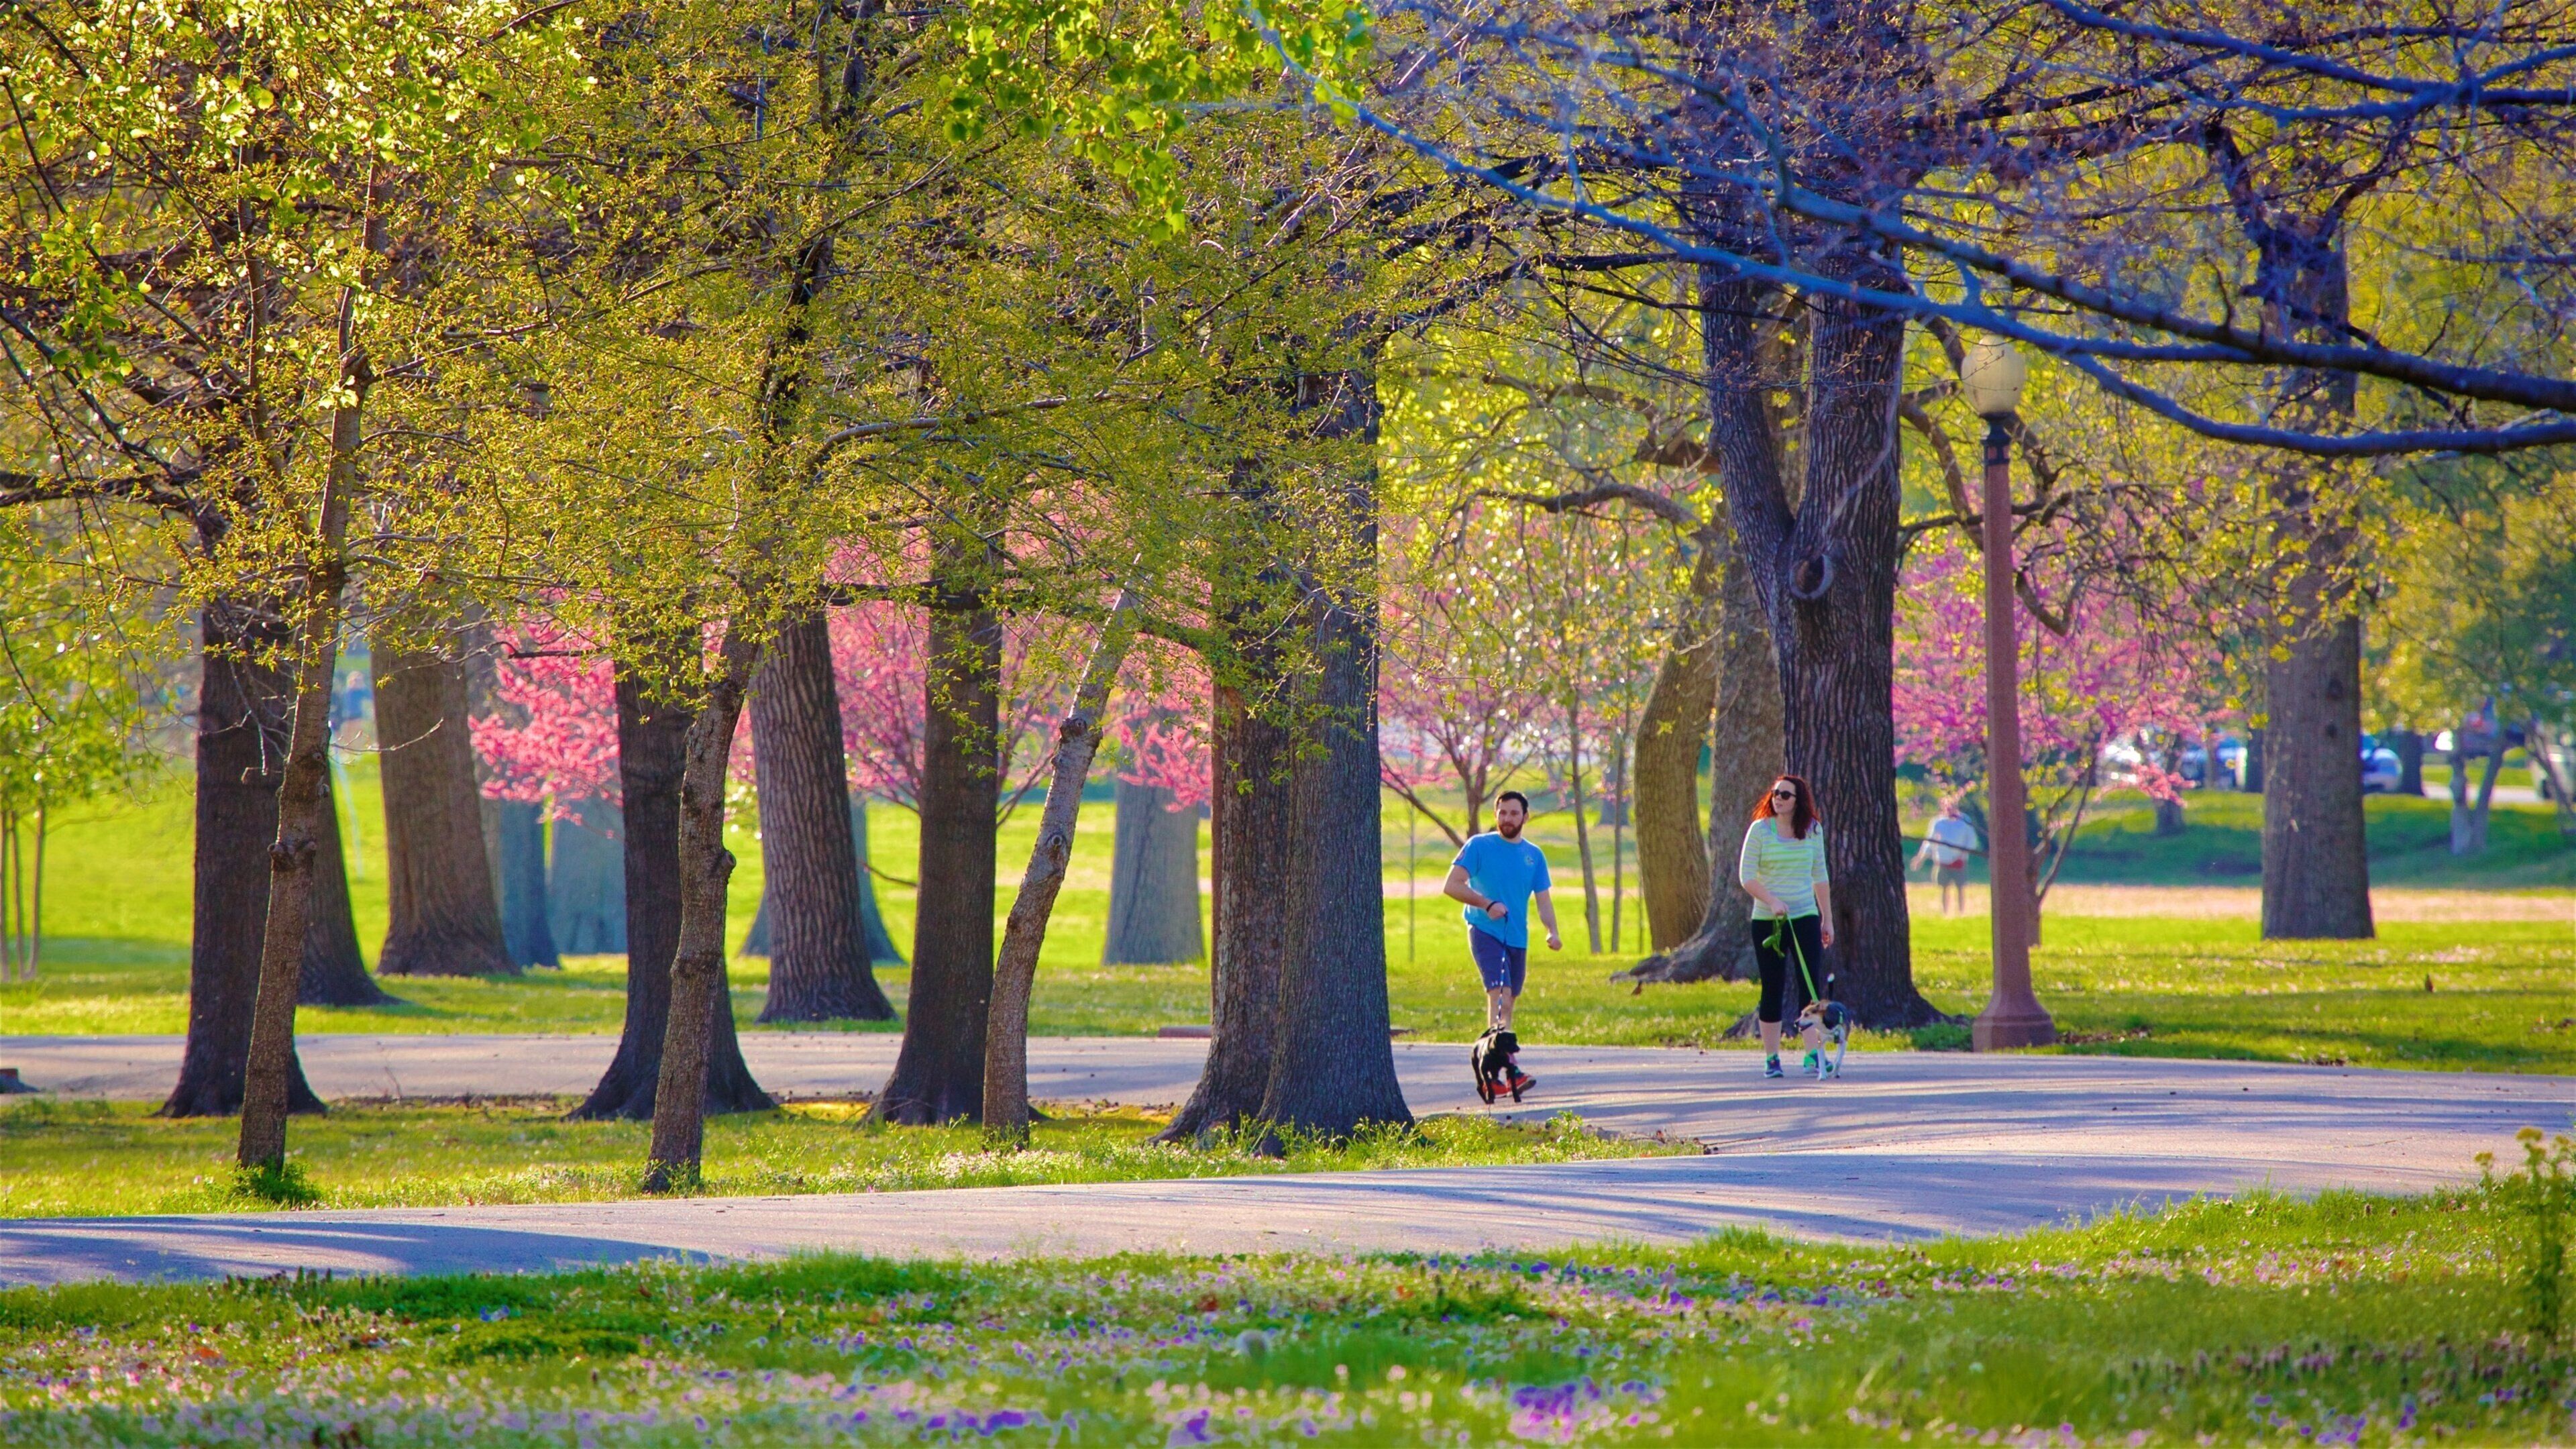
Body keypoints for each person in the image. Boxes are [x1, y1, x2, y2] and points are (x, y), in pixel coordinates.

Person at [1442, 790, 1562, 1095]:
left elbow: (1543, 900)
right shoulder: (1479, 846)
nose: (1507, 819)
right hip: (1485, 930)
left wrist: (1552, 931)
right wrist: (1486, 904)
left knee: (1508, 1004)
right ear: (1496, 815)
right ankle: (1508, 1069)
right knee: (1500, 995)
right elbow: (1451, 886)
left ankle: (1492, 1072)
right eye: (1502, 813)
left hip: (1517, 937)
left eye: (1513, 813)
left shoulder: (1534, 855)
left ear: (1525, 817)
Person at [1739, 773, 1833, 1079]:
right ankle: (1772, 1058)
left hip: (1804, 915)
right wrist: (1772, 900)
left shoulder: (1813, 831)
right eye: (1776, 793)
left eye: (1786, 795)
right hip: (1769, 920)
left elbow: (1820, 876)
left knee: (1809, 986)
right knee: (1773, 986)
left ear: (1798, 801)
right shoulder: (1760, 831)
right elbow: (1747, 876)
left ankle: (1812, 1055)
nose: (1778, 798)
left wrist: (1826, 918)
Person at [1912, 798, 1979, 916]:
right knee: (1944, 888)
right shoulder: (1938, 822)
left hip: (1959, 861)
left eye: (1952, 806)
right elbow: (1930, 841)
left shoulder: (1964, 821)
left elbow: (1971, 841)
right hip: (1942, 861)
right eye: (1946, 806)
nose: (1949, 809)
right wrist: (1920, 858)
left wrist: (1963, 855)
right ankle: (1945, 913)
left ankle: (1961, 913)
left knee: (1960, 888)